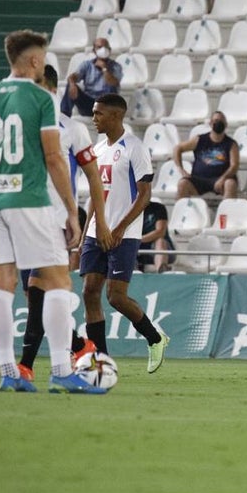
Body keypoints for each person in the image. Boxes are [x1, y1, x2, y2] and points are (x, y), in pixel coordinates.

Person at [0, 29, 104, 394]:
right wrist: (73, 212)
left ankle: (10, 371)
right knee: (57, 281)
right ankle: (61, 369)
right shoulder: (41, 99)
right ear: (34, 60)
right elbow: (55, 158)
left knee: (1, 286)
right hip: (29, 200)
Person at [17, 64, 110, 381]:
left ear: (50, 90)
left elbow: (94, 180)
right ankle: (79, 346)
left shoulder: (72, 130)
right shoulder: (23, 129)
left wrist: (95, 223)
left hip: (55, 221)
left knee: (36, 288)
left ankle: (26, 366)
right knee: (35, 298)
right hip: (23, 221)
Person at [81, 94, 170, 373]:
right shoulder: (97, 150)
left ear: (116, 116)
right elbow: (97, 197)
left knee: (116, 297)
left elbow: (144, 196)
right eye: (93, 113)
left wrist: (119, 229)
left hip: (124, 234)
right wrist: (86, 234)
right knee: (89, 292)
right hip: (97, 232)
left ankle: (155, 338)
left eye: (99, 114)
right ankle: (102, 361)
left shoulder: (134, 148)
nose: (94, 118)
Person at [175, 111, 240, 200]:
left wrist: (223, 178)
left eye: (221, 121)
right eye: (216, 120)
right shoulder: (199, 140)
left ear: (226, 124)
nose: (218, 123)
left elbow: (234, 166)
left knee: (230, 184)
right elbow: (177, 149)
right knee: (182, 184)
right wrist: (181, 170)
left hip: (221, 179)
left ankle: (227, 213)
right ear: (210, 123)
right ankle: (182, 213)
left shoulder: (231, 144)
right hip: (199, 180)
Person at [60, 38, 122, 118]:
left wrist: (104, 69)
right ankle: (64, 117)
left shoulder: (116, 66)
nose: (103, 50)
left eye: (105, 47)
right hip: (89, 104)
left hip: (107, 105)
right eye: (99, 47)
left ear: (109, 50)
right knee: (70, 85)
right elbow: (73, 76)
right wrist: (72, 83)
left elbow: (113, 82)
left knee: (111, 92)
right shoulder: (87, 65)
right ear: (94, 50)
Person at [139, 200, 174, 272]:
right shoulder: (129, 210)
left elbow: (160, 232)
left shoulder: (158, 208)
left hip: (163, 250)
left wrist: (139, 240)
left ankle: (161, 271)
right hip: (138, 250)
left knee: (160, 241)